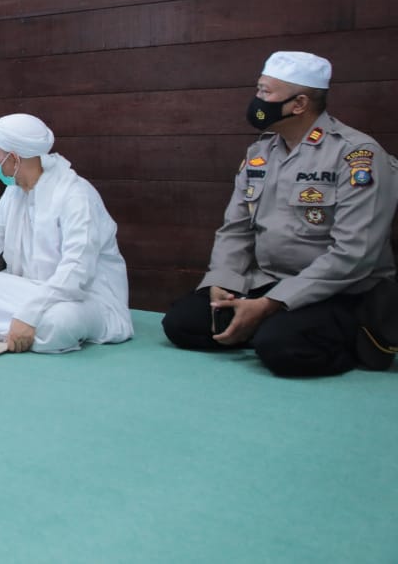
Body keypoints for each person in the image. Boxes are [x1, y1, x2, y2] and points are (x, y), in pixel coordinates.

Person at [161, 51, 398, 376]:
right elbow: (236, 229)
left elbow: (354, 254)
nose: (257, 100)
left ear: (299, 104)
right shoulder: (260, 153)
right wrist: (222, 282)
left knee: (282, 348)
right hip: (268, 282)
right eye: (258, 89)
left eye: (266, 92)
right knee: (182, 323)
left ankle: (347, 339)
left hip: (340, 291)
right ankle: (263, 325)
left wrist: (269, 305)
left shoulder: (356, 155)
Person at [0, 114, 134, 353]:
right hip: (27, 290)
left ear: (14, 158)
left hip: (83, 298)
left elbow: (77, 271)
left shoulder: (76, 196)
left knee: (58, 322)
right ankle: (21, 329)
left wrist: (29, 314)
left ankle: (20, 326)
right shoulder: (15, 193)